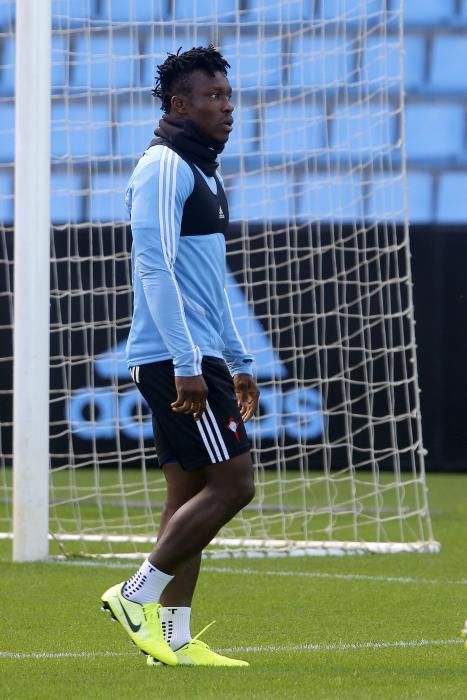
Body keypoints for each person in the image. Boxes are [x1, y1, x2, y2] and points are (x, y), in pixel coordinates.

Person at [101, 46, 260, 668]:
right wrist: (190, 361)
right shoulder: (164, 167)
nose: (227, 107)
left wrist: (240, 357)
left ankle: (168, 641)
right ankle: (134, 594)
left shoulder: (206, 171)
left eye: (228, 96)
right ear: (179, 105)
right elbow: (154, 266)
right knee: (235, 484)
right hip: (176, 358)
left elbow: (209, 280)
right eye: (213, 97)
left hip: (200, 353)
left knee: (188, 495)